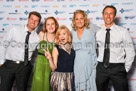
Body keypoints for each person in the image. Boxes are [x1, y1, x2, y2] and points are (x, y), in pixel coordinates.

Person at [96, 5, 135, 91]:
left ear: (114, 16)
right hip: (101, 68)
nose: (108, 16)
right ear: (103, 15)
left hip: (118, 68)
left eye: (111, 14)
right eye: (106, 13)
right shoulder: (99, 32)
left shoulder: (123, 32)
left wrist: (125, 69)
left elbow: (131, 52)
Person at [0, 11, 41, 91]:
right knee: (4, 88)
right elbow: (3, 44)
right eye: (32, 19)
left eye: (36, 21)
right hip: (9, 65)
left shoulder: (37, 38)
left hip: (24, 67)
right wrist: (1, 62)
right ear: (28, 19)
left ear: (38, 23)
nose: (33, 22)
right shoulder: (15, 30)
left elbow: (43, 49)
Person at [71, 10, 99, 91]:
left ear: (85, 19)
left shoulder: (91, 28)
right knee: (79, 86)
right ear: (74, 20)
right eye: (77, 19)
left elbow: (105, 32)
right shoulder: (72, 32)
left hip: (90, 61)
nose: (79, 21)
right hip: (77, 64)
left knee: (91, 84)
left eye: (81, 18)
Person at [31, 17, 59, 91]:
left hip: (51, 64)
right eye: (48, 24)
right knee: (38, 85)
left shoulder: (58, 38)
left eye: (52, 24)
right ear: (45, 27)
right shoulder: (41, 34)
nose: (50, 27)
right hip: (40, 63)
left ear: (56, 25)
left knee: (49, 86)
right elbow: (30, 46)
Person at [45, 25, 75, 91]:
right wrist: (50, 58)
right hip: (59, 78)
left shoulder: (72, 48)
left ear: (68, 35)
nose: (61, 36)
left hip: (70, 77)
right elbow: (53, 68)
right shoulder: (56, 48)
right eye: (59, 34)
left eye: (64, 34)